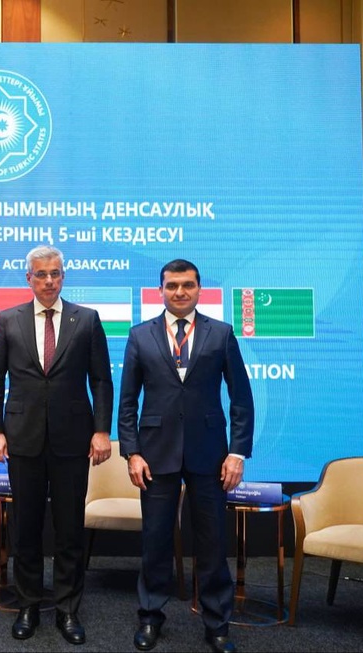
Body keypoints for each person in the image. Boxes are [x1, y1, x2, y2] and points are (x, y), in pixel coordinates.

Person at [118, 259, 254, 653]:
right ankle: (150, 617)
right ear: (160, 290)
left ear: (199, 289)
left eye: (188, 285)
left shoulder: (221, 333)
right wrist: (132, 453)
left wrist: (237, 452)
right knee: (155, 541)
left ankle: (217, 624)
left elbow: (241, 399)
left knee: (212, 542)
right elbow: (127, 402)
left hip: (209, 454)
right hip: (155, 455)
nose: (180, 292)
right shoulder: (140, 335)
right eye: (172, 285)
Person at [0, 245, 113, 645]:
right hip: (22, 439)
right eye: (41, 274)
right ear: (29, 279)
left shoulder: (86, 319)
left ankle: (67, 609)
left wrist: (102, 430)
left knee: (69, 528)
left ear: (63, 276)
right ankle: (28, 605)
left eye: (55, 273)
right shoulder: (9, 320)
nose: (49, 281)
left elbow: (101, 380)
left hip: (73, 439)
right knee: (26, 528)